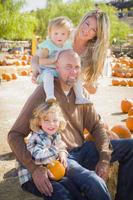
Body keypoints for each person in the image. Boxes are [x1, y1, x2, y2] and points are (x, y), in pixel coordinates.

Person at [9, 49, 111, 200]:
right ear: (57, 68)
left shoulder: (80, 93)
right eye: (68, 67)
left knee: (130, 147)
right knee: (93, 182)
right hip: (63, 158)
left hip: (80, 150)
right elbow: (14, 135)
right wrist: (34, 169)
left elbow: (96, 126)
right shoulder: (45, 92)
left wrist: (104, 159)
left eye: (77, 67)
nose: (73, 72)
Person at [32, 10, 110, 95]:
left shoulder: (94, 52)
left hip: (74, 92)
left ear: (98, 34)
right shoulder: (64, 33)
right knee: (39, 96)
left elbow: (93, 89)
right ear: (83, 20)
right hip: (51, 84)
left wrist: (77, 82)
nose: (87, 30)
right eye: (87, 24)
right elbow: (36, 57)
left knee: (84, 101)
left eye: (94, 30)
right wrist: (36, 69)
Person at [17, 102, 84, 200]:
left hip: (49, 172)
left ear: (59, 121)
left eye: (55, 120)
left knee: (70, 185)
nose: (51, 124)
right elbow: (38, 157)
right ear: (39, 122)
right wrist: (57, 149)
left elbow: (60, 145)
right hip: (31, 177)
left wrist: (62, 153)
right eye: (46, 120)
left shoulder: (55, 134)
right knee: (57, 191)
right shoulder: (36, 137)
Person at [31, 16, 91, 104]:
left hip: (61, 72)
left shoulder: (67, 46)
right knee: (48, 76)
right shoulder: (47, 46)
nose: (59, 36)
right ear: (50, 33)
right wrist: (53, 60)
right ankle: (50, 95)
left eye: (63, 34)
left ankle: (79, 97)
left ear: (67, 35)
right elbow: (40, 61)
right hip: (48, 70)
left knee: (77, 76)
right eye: (56, 33)